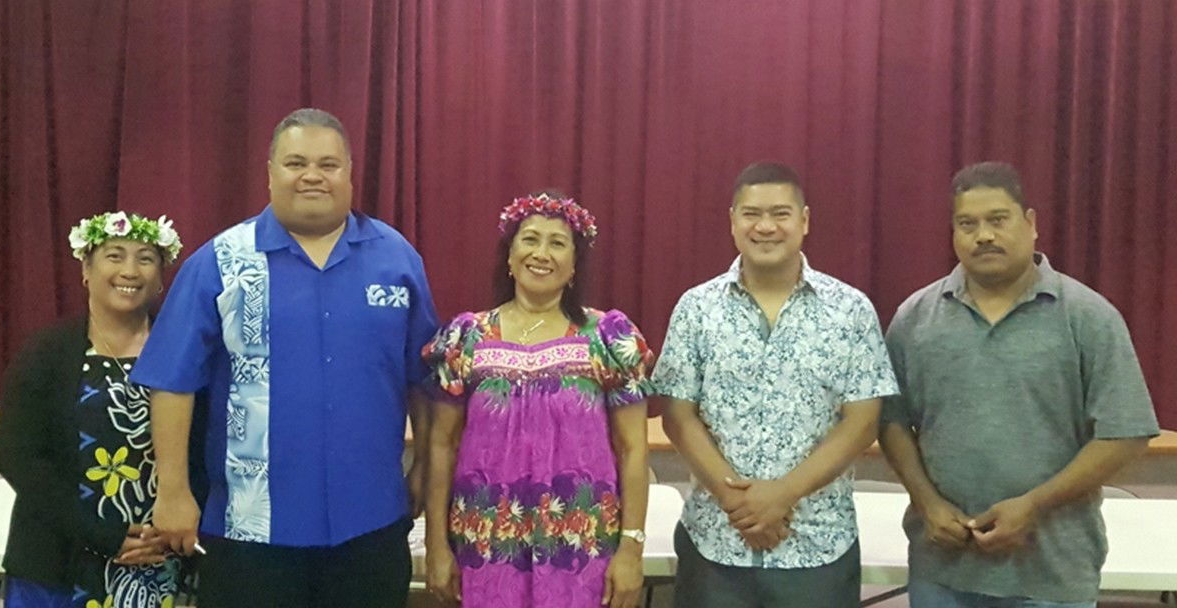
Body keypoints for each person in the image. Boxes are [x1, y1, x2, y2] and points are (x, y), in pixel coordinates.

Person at [130, 108, 440, 607]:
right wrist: (173, 492)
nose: (312, 175)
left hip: (372, 527)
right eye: (296, 162)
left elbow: (423, 379)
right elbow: (172, 382)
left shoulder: (398, 259)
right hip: (248, 532)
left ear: (350, 173)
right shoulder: (219, 263)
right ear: (270, 172)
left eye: (328, 164)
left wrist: (424, 465)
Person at [879, 161, 1160, 607]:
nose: (983, 235)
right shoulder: (916, 318)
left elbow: (1125, 433)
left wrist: (1034, 505)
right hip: (943, 569)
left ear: (1031, 224)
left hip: (1050, 574)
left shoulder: (1087, 317)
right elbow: (890, 420)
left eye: (998, 219)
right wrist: (927, 502)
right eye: (967, 224)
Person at [652, 163, 899, 608]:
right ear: (732, 221)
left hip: (817, 543)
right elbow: (677, 415)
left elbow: (862, 422)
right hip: (716, 541)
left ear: (804, 221)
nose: (765, 226)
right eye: (752, 214)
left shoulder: (850, 310)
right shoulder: (696, 308)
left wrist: (782, 495)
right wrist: (736, 502)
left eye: (781, 213)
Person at [422, 192, 653, 608]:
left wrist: (632, 549)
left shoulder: (607, 338)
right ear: (509, 258)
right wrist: (437, 545)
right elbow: (442, 444)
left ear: (574, 265)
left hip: (583, 551)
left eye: (557, 242)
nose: (541, 253)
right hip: (485, 546)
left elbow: (634, 448)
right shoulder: (467, 338)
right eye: (529, 239)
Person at [0, 211, 186, 607]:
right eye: (115, 256)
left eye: (146, 258)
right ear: (86, 268)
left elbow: (205, 448)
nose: (130, 270)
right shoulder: (44, 354)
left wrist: (173, 530)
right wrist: (104, 535)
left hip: (156, 562)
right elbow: (20, 459)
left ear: (162, 276)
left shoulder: (184, 353)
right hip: (55, 564)